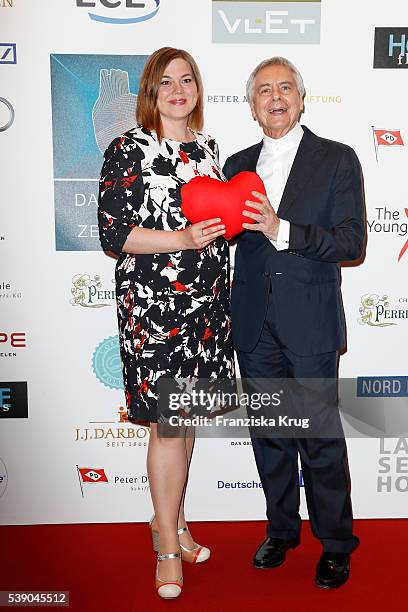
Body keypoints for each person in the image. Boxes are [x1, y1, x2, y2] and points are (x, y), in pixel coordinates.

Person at [223, 56, 365, 589]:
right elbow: (226, 239)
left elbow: (352, 243)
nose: (276, 97)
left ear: (302, 99)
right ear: (252, 105)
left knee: (320, 436)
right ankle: (281, 529)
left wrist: (284, 229)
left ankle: (334, 542)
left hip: (310, 324)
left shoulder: (336, 159)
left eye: (286, 88)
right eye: (264, 90)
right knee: (270, 435)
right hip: (254, 324)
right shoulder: (234, 164)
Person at [98, 47, 234, 599]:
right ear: (150, 92)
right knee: (168, 426)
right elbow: (115, 236)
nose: (178, 90)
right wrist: (181, 240)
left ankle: (175, 523)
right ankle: (165, 550)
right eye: (166, 82)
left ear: (197, 89)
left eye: (187, 80)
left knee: (189, 420)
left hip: (207, 309)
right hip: (155, 309)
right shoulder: (130, 148)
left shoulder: (209, 150)